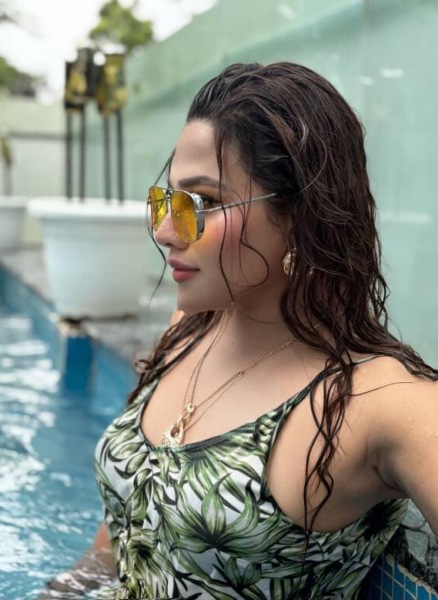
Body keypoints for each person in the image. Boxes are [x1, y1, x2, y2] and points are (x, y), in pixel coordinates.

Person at [40, 62, 438, 600]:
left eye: (202, 203)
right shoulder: (190, 329)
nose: (165, 231)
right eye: (167, 201)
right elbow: (118, 542)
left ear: (301, 215)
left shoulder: (378, 401)